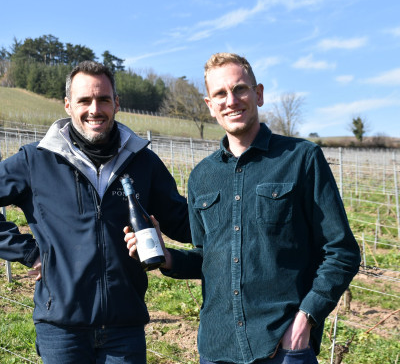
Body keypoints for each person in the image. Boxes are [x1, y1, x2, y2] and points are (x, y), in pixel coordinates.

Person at [126, 53, 361, 364]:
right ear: (210, 105)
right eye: (221, 94)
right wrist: (168, 258)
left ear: (258, 94)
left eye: (240, 89)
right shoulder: (202, 177)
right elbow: (207, 257)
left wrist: (307, 318)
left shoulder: (301, 159)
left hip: (283, 346)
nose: (231, 100)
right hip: (217, 347)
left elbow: (341, 251)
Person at [0, 61, 191, 364]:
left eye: (103, 99)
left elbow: (183, 222)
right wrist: (26, 252)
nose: (94, 109)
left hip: (124, 328)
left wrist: (234, 218)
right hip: (61, 329)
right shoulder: (35, 161)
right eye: (84, 100)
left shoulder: (143, 162)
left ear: (117, 103)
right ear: (68, 105)